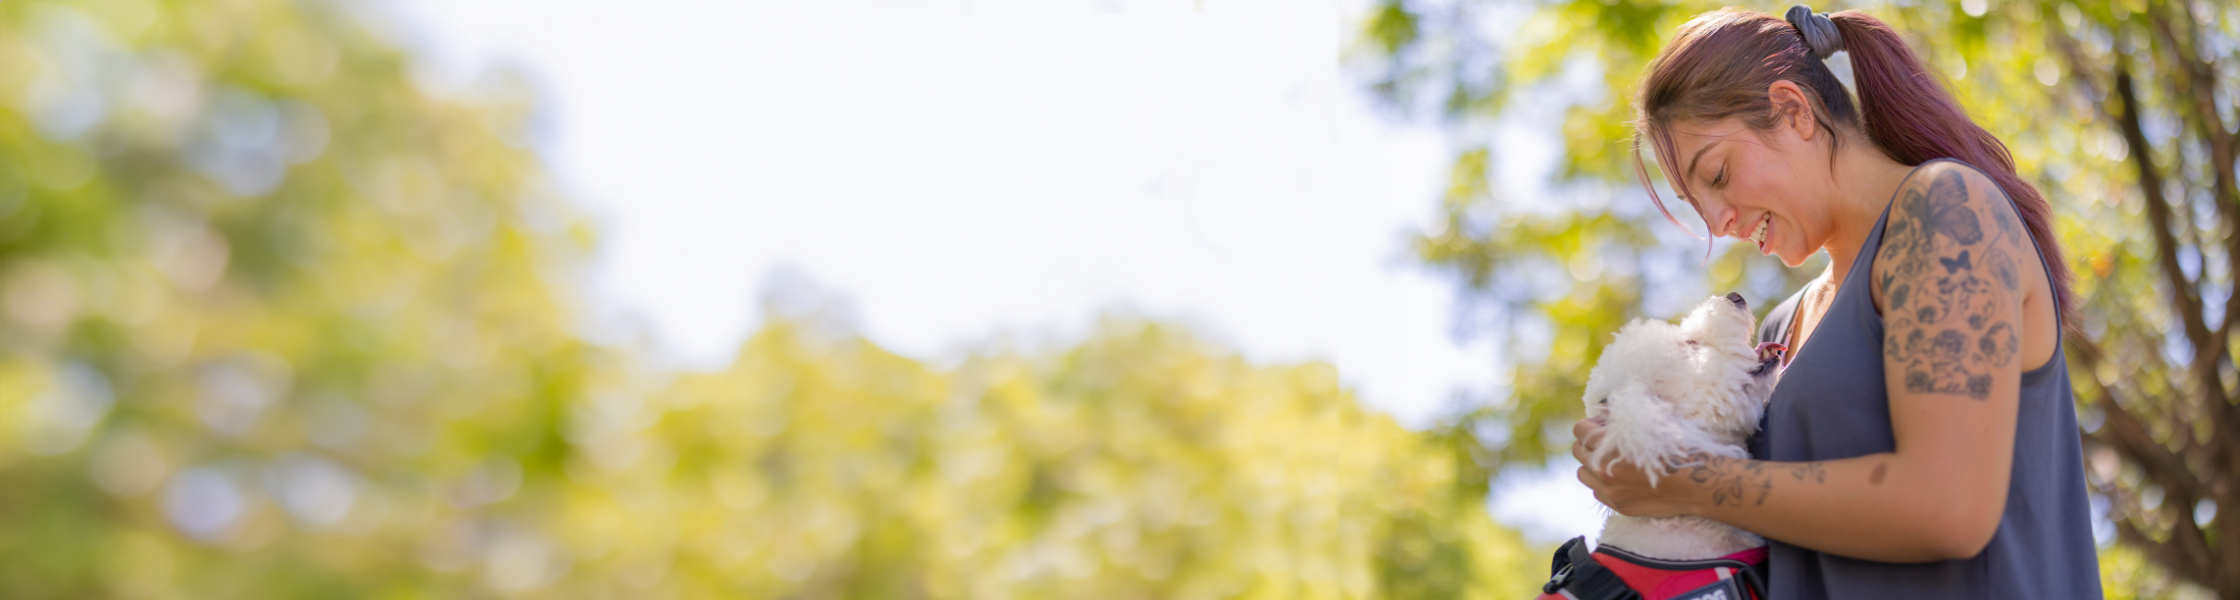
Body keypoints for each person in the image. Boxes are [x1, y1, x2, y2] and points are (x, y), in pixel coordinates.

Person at [1568, 5, 2102, 598]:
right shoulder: (1781, 325)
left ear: (1794, 111)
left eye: (1718, 174)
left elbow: (1948, 508)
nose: (1719, 222)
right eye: (1699, 206)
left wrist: (1685, 479)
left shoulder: (1947, 214)